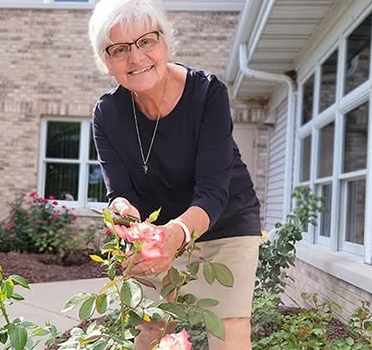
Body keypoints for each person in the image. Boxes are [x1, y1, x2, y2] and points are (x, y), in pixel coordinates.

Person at [89, 1, 261, 349]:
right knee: (151, 327)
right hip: (156, 236)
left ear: (166, 43)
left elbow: (213, 191)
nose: (136, 58)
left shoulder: (207, 93)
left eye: (146, 41)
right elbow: (119, 191)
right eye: (119, 49)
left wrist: (177, 233)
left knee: (229, 323)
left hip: (224, 221)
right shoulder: (106, 115)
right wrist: (123, 213)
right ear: (106, 63)